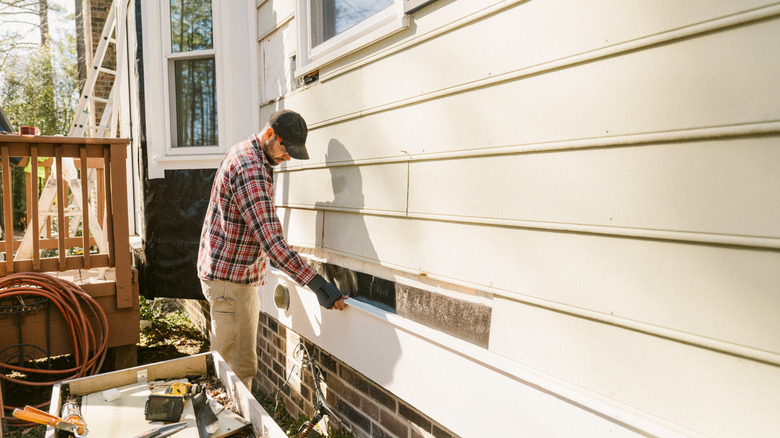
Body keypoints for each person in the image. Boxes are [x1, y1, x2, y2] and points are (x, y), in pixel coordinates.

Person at [197, 109, 347, 389]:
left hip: (227, 277)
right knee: (236, 374)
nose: (287, 157)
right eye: (285, 149)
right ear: (269, 135)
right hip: (230, 284)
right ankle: (233, 429)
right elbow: (273, 242)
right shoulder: (250, 169)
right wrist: (319, 286)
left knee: (234, 368)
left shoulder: (245, 152)